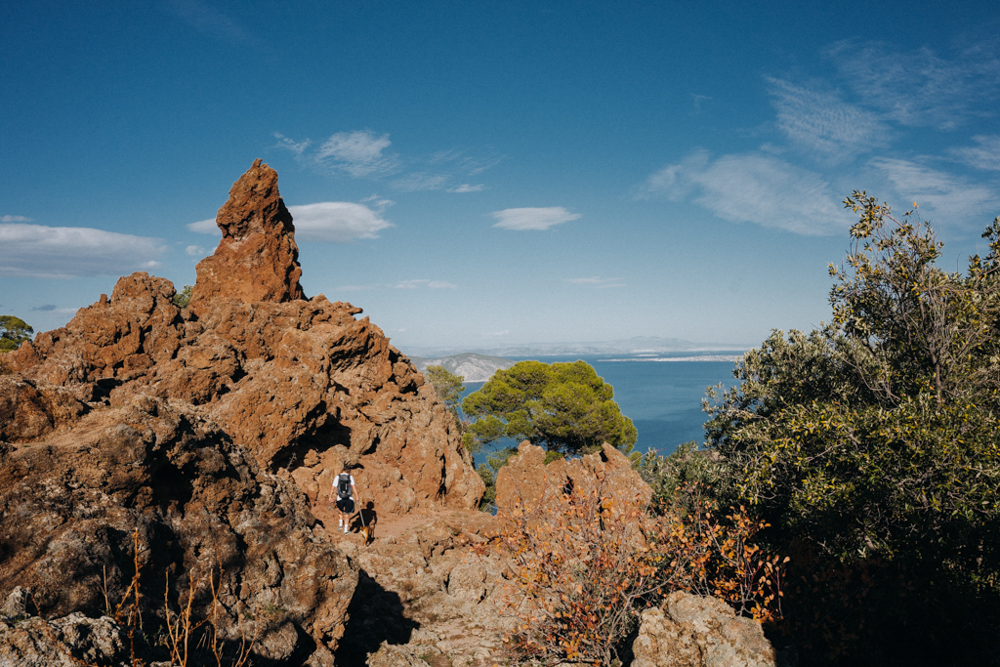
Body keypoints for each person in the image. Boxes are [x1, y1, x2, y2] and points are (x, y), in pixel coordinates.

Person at [329, 466, 357, 534]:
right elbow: (354, 487)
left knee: (340, 510)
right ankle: (346, 530)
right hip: (349, 498)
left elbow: (333, 487)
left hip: (339, 497)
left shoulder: (337, 477)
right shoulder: (350, 477)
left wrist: (330, 496)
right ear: (349, 471)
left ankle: (340, 524)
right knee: (347, 513)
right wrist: (357, 496)